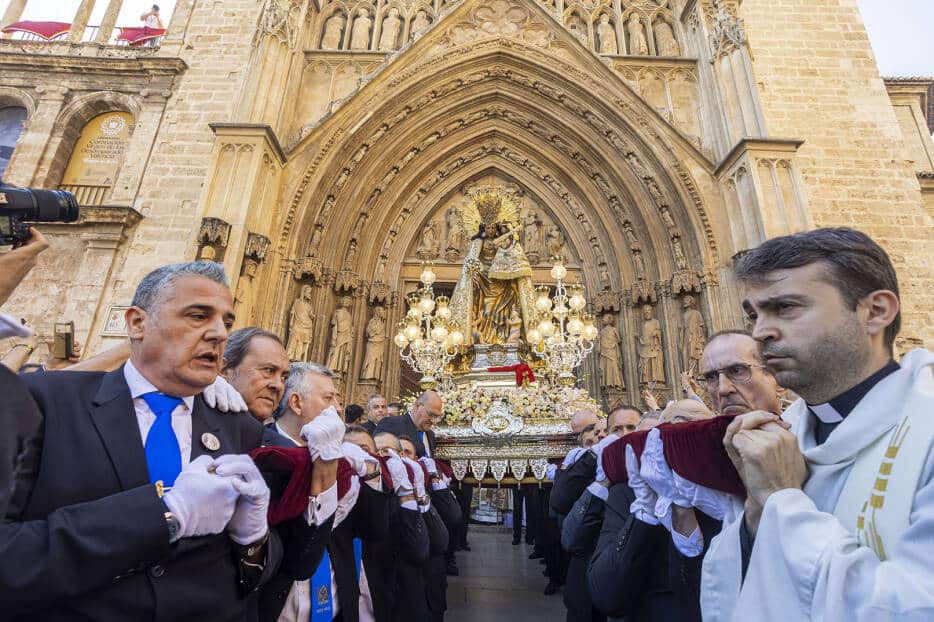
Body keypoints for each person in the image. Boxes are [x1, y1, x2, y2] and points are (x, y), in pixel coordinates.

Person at [2, 261, 281, 620]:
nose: (219, 334)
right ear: (137, 323)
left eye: (226, 322)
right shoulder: (43, 402)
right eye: (198, 316)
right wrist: (167, 514)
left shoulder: (239, 428)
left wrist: (255, 539)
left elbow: (251, 580)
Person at [702, 228, 934, 621]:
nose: (760, 332)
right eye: (754, 314)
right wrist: (757, 516)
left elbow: (912, 607)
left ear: (875, 311)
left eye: (786, 307)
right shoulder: (782, 431)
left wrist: (782, 500)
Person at [588, 329, 780, 622]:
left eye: (737, 371)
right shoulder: (648, 479)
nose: (723, 388)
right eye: (712, 378)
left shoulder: (813, 443)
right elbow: (694, 597)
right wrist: (666, 514)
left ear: (777, 378)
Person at [269, 362, 379, 622]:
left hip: (336, 600)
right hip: (280, 603)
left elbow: (374, 530)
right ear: (296, 403)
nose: (339, 408)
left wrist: (372, 474)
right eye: (329, 398)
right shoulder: (264, 451)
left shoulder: (344, 460)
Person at [221, 327, 290, 425]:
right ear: (224, 370)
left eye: (284, 377)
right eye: (268, 370)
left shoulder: (280, 440)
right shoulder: (192, 425)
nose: (279, 385)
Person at [376, 391, 442, 457]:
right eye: (430, 414)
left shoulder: (431, 435)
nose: (434, 421)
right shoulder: (390, 424)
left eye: (436, 417)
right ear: (417, 406)